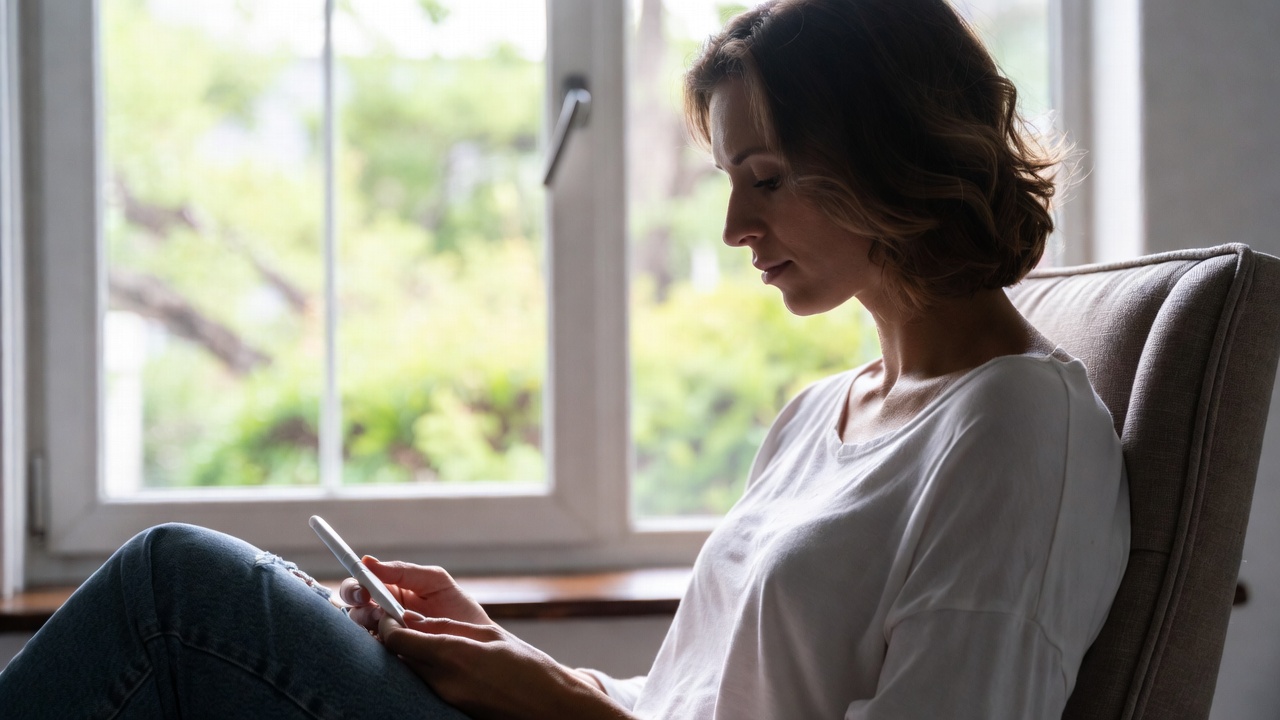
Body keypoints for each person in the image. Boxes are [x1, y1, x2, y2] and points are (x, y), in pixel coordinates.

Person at [0, 0, 1129, 717]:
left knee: (178, 593)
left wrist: (548, 700)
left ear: (890, 155)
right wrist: (492, 654)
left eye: (767, 179)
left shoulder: (1016, 429)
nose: (734, 229)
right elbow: (683, 700)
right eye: (728, 183)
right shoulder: (819, 415)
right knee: (190, 607)